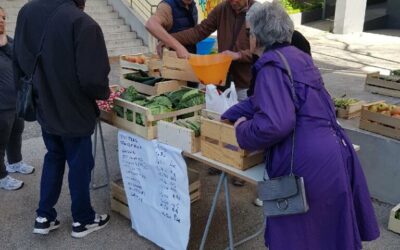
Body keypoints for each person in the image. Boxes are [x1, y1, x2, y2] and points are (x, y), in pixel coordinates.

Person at [221, 2, 380, 249]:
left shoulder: (271, 65)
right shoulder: (296, 58)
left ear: (259, 35)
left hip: (306, 165)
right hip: (333, 156)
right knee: (327, 235)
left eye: (249, 32)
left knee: (298, 237)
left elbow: (275, 124)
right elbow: (267, 99)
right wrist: (230, 112)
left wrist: (242, 129)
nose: (248, 37)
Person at [13, 0, 110, 238]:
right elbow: (92, 80)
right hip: (74, 109)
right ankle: (83, 220)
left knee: (54, 156)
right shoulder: (83, 22)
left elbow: (19, 59)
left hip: (44, 103)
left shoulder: (27, 11)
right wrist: (105, 94)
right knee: (80, 163)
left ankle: (44, 216)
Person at [0, 6, 35, 191]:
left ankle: (15, 162)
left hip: (15, 100)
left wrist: (4, 44)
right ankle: (1, 176)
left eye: (3, 17)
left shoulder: (8, 41)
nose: (2, 21)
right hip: (0, 105)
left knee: (16, 132)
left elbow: (18, 58)